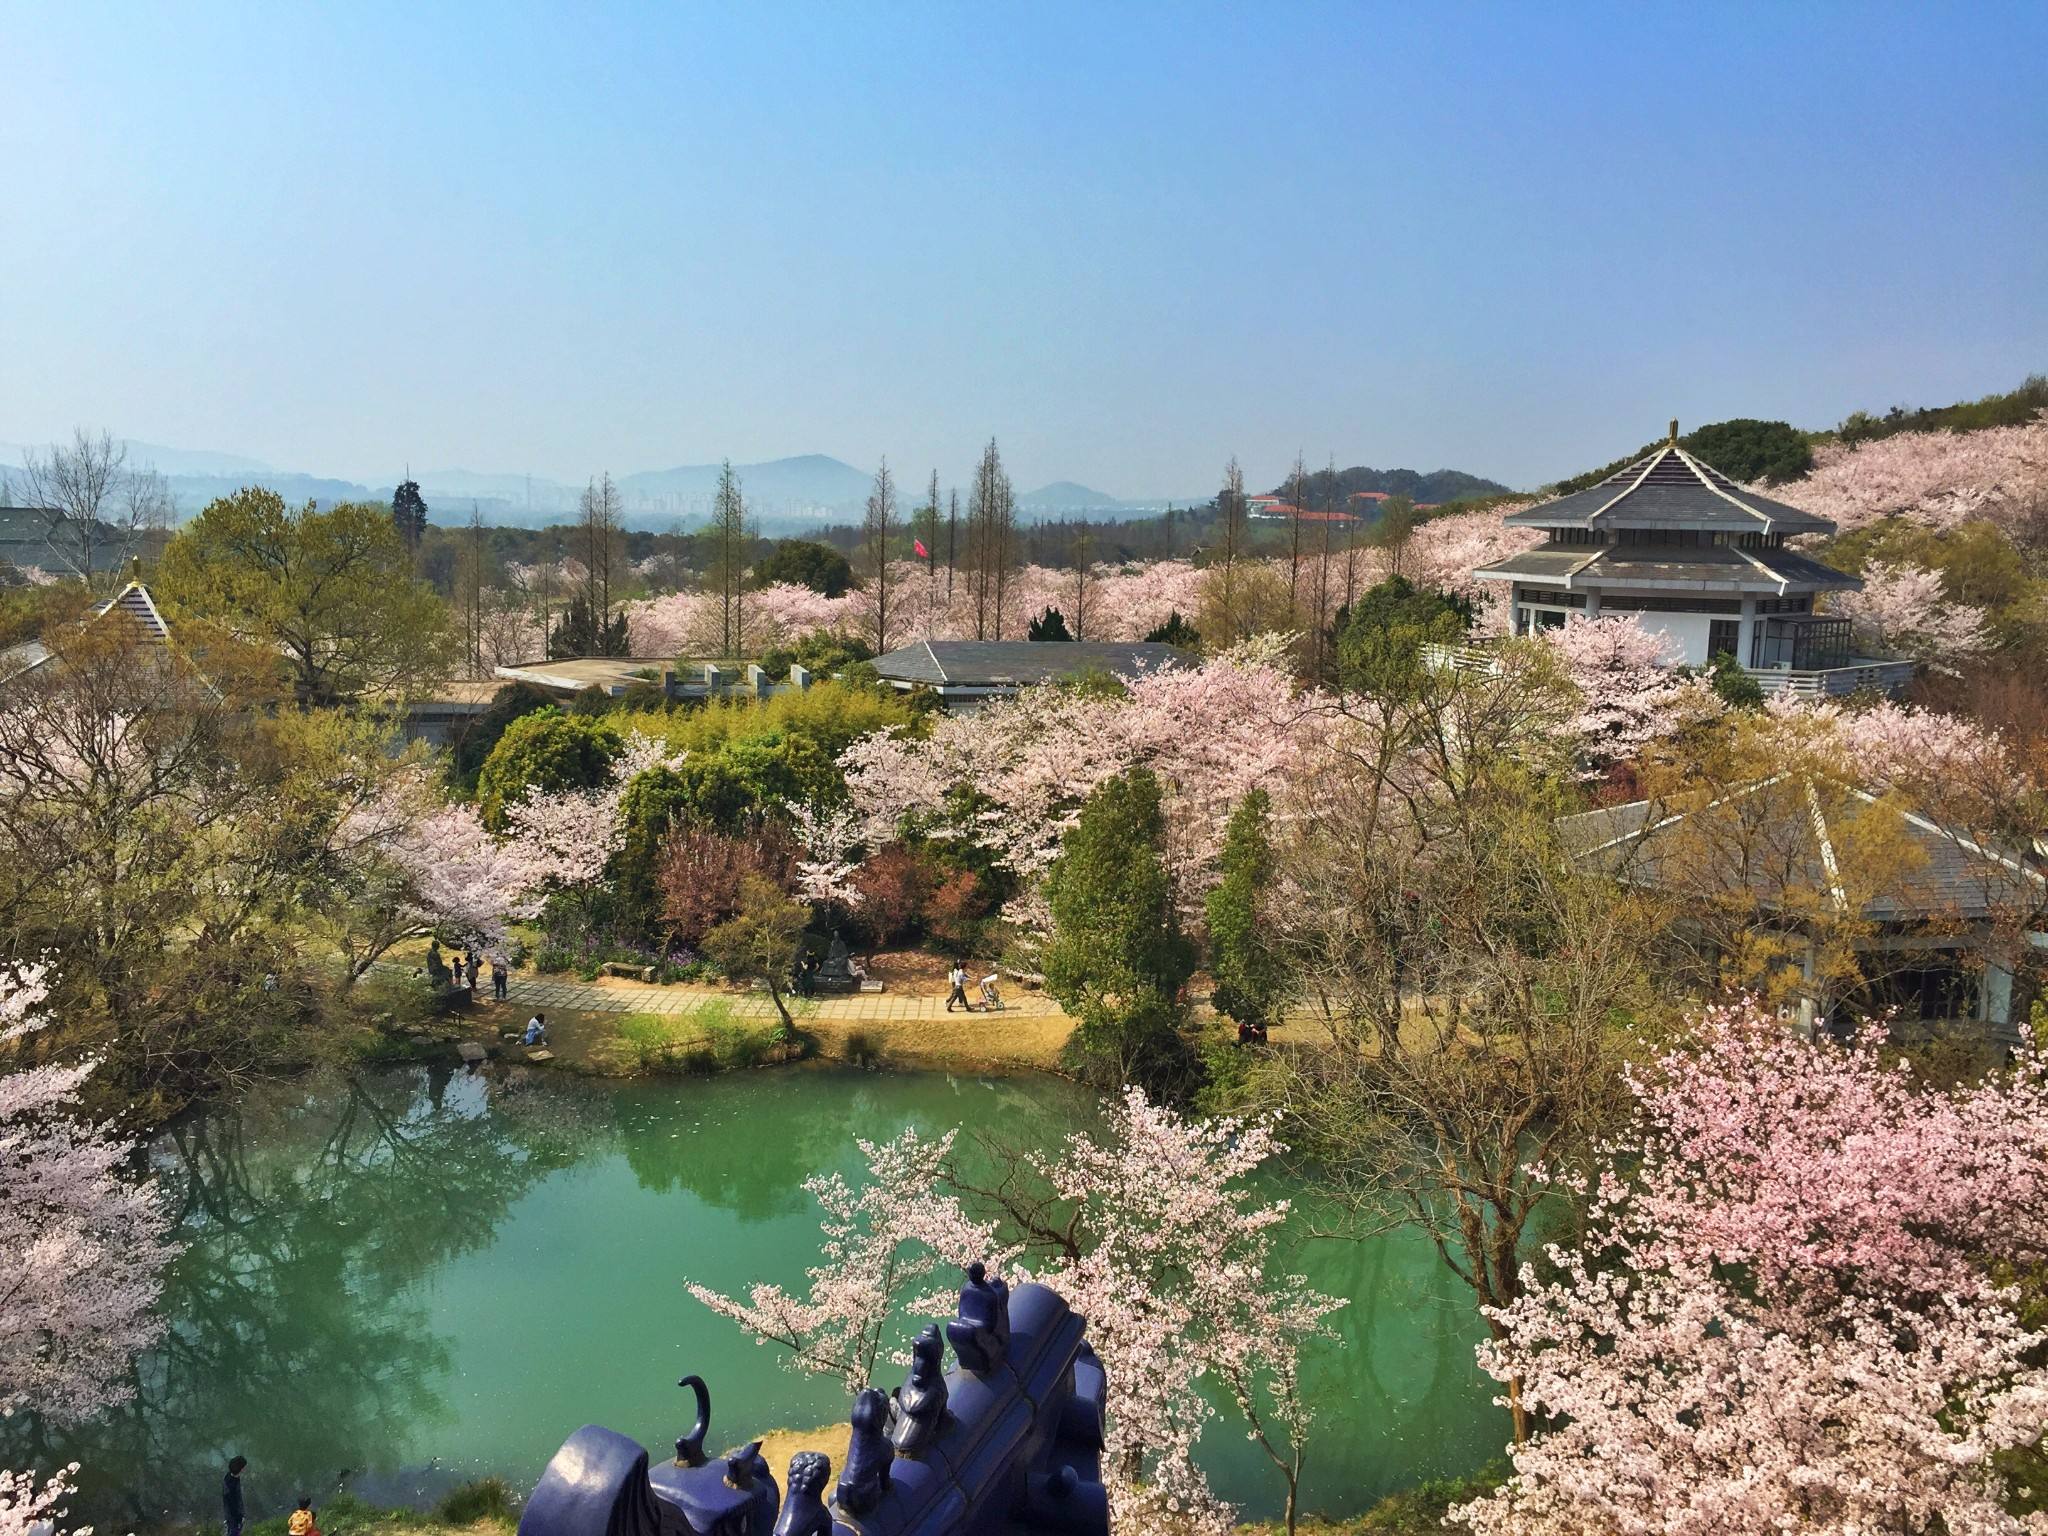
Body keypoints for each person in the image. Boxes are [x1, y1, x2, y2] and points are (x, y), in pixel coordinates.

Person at [222, 1456, 247, 1536]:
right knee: (234, 1531)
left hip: (228, 1512)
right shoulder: (232, 1487)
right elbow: (233, 1505)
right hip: (233, 1516)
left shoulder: (228, 1476)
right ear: (241, 1469)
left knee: (232, 1530)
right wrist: (240, 1517)